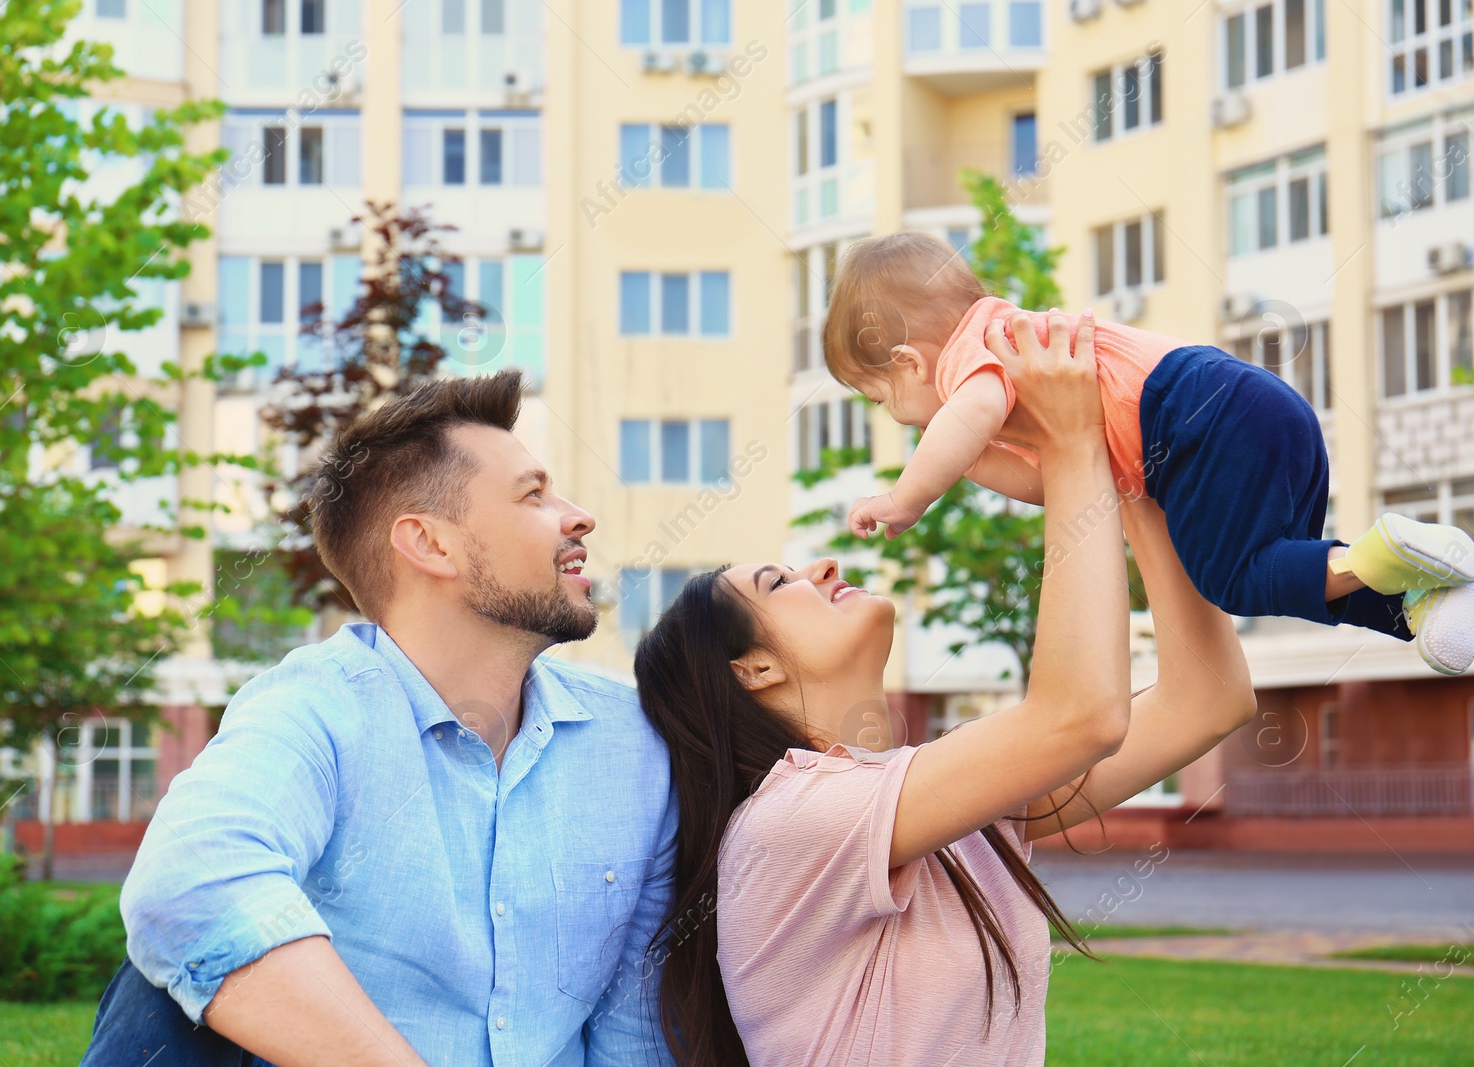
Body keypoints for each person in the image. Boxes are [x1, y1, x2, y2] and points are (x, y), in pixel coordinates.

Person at [632, 313, 1259, 1066]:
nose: (823, 567)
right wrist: (1072, 448)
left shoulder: (945, 808)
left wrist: (1137, 473)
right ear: (751, 669)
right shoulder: (788, 822)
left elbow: (1209, 699)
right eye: (781, 582)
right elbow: (1080, 716)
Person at [82, 371, 677, 1067]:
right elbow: (185, 887)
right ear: (429, 544)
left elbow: (635, 1026)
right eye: (534, 495)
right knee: (163, 987)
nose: (579, 517)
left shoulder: (636, 744)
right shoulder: (314, 707)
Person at [825, 230, 1474, 676]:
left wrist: (904, 498)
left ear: (909, 362)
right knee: (1289, 571)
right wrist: (966, 458)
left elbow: (970, 412)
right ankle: (1421, 603)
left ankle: (1385, 554)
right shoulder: (1004, 362)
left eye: (880, 398)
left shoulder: (980, 353)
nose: (895, 417)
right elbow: (1057, 481)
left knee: (1233, 580)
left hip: (1187, 416)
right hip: (1257, 403)